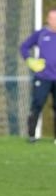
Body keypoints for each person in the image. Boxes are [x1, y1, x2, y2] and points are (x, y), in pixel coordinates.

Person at [20, 8, 56, 143]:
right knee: (37, 104)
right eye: (53, 19)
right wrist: (29, 60)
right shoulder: (41, 34)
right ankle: (31, 136)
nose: (55, 21)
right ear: (48, 20)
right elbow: (24, 46)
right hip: (43, 77)